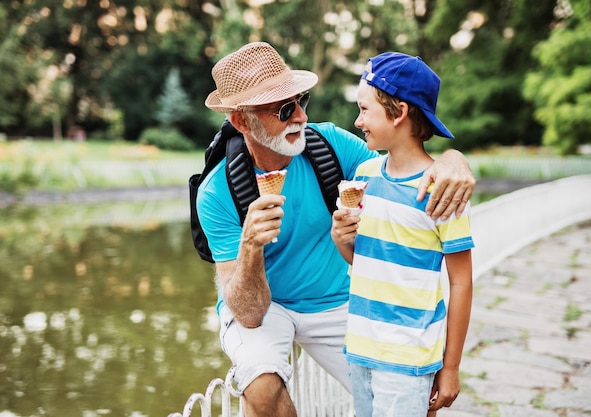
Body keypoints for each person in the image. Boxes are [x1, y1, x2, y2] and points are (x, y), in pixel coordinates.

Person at [197, 42, 475, 417]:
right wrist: (250, 247)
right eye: (283, 109)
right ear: (242, 121)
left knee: (416, 394)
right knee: (260, 389)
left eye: (301, 101)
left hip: (339, 303)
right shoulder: (216, 193)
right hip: (266, 309)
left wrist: (452, 159)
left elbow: (403, 160)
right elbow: (248, 314)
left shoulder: (330, 146)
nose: (299, 117)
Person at [330, 52, 474, 417]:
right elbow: (365, 257)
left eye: (365, 110)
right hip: (361, 349)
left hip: (408, 356)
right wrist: (341, 237)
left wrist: (451, 367)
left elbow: (461, 282)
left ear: (399, 112)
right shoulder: (363, 175)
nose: (358, 120)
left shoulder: (443, 191)